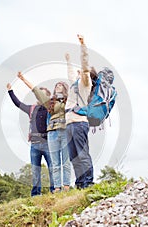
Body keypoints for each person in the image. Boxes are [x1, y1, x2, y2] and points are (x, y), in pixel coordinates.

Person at [18, 73, 71, 193]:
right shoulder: (50, 102)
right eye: (56, 85)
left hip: (65, 131)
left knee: (66, 161)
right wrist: (23, 79)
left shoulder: (70, 100)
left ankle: (66, 187)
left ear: (65, 88)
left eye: (60, 85)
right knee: (55, 163)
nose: (58, 85)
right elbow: (36, 90)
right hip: (52, 133)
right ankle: (57, 188)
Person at [6, 81, 54, 196]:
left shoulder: (50, 108)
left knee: (52, 168)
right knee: (35, 170)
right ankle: (36, 194)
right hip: (35, 144)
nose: (38, 97)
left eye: (41, 94)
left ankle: (54, 191)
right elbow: (18, 103)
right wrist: (10, 91)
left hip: (48, 143)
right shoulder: (31, 109)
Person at [65, 34, 94, 189]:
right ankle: (80, 183)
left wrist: (83, 45)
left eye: (79, 71)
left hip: (78, 123)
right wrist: (68, 61)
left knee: (82, 155)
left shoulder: (85, 83)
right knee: (74, 157)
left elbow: (84, 64)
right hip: (69, 124)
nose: (77, 72)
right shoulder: (74, 85)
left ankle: (88, 182)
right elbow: (70, 74)